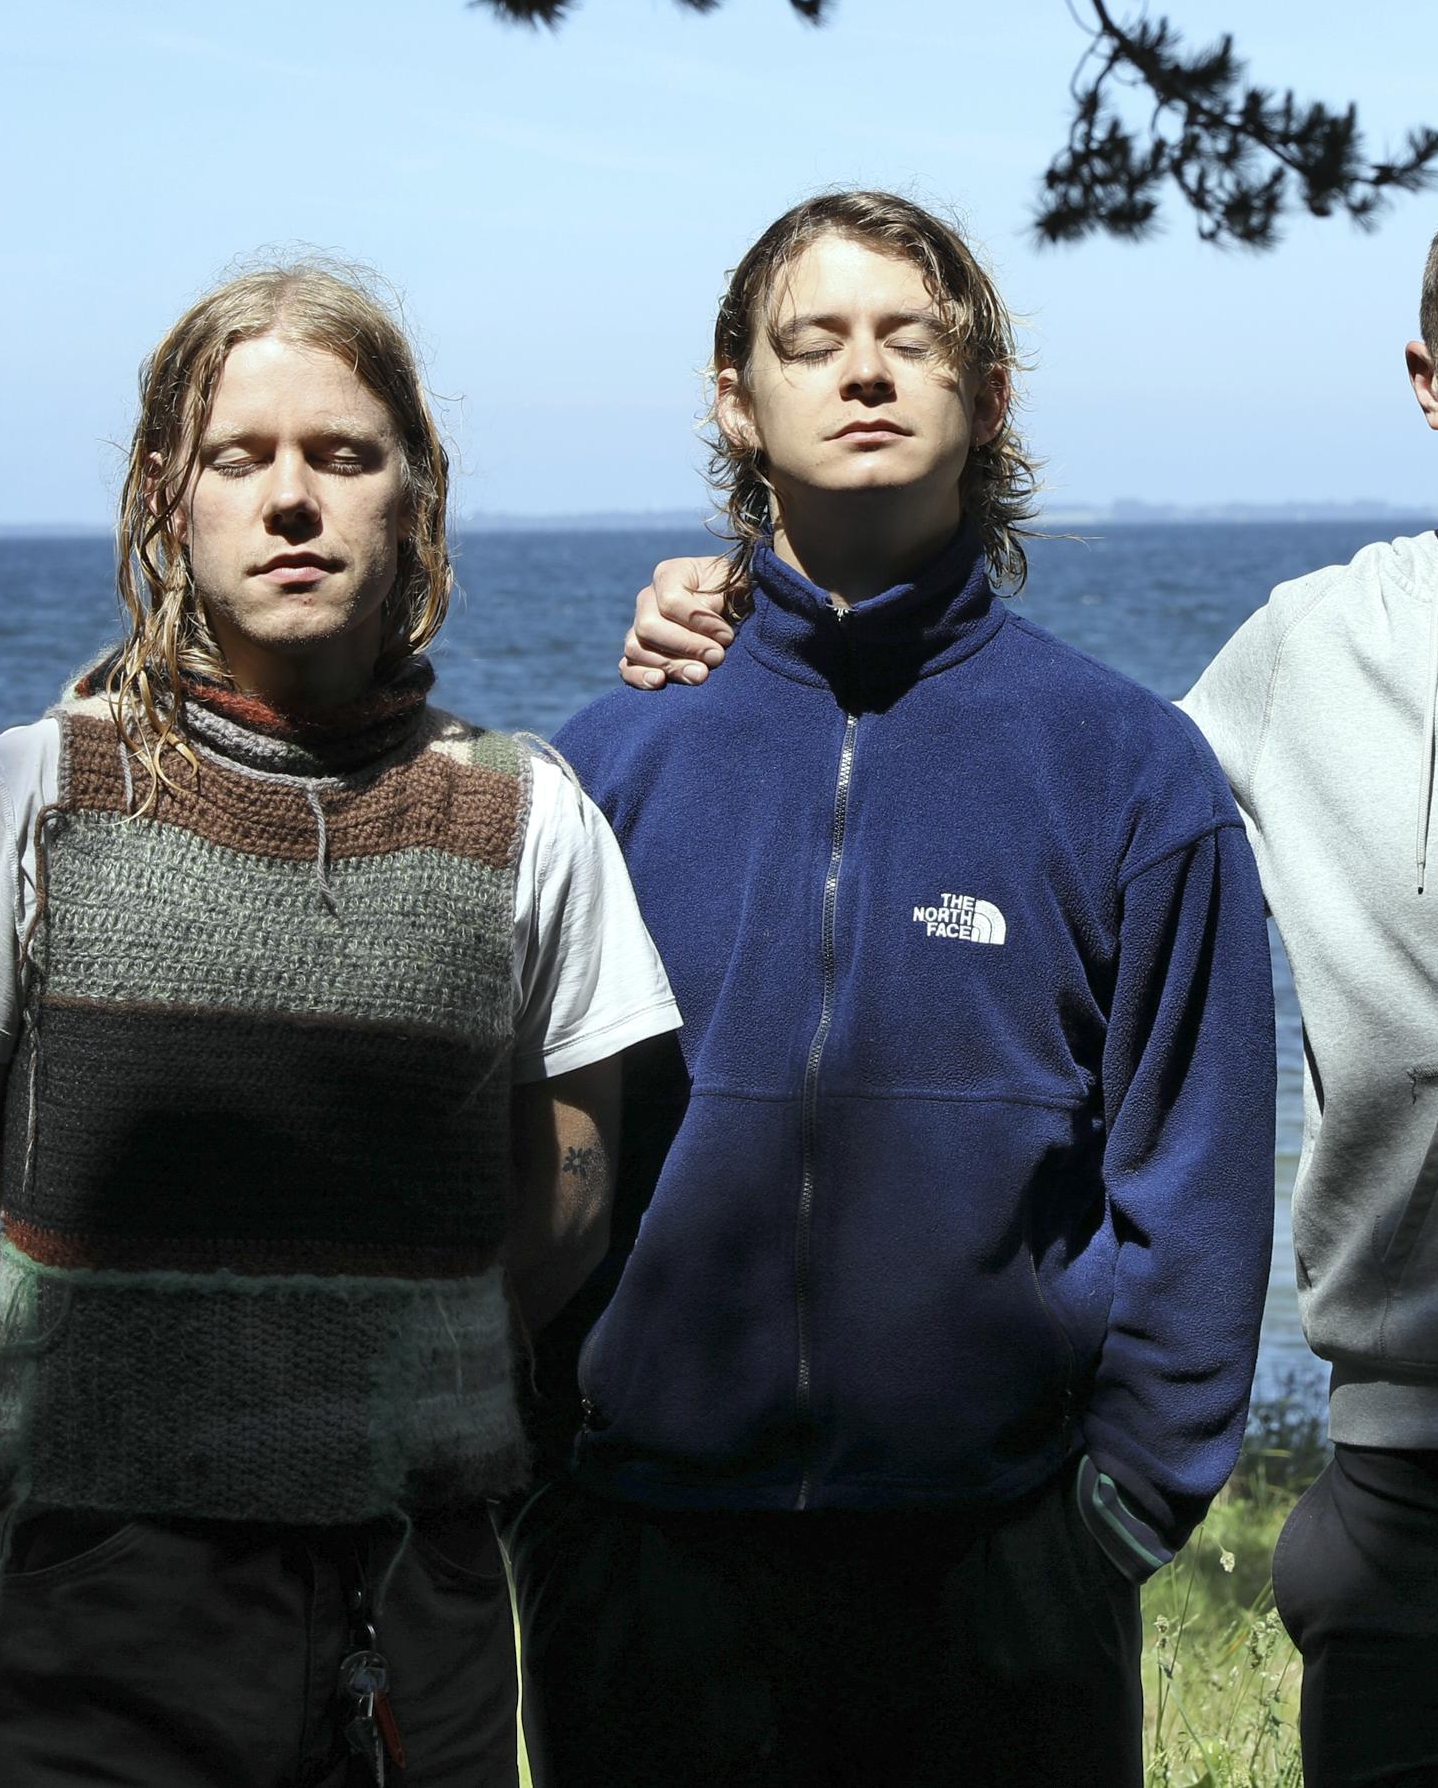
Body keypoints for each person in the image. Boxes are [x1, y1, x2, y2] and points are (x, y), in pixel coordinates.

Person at [620, 143, 1438, 1785]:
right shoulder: (1315, 650)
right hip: (1430, 1501)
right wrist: (745, 626)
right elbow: (980, 789)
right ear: (1427, 380)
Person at [0, 258, 678, 1788]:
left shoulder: (527, 811)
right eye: (242, 458)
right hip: (107, 1607)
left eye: (343, 456)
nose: (292, 499)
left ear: (415, 497)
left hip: (415, 1600)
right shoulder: (34, 789)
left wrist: (405, 1399)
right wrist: (67, 1415)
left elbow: (572, 1185)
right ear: (171, 499)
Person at [516, 190, 1278, 1788]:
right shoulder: (604, 769)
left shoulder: (1130, 770)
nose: (863, 372)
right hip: (648, 1573)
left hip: (999, 1585)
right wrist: (545, 1505)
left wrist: (1113, 1518)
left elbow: (1196, 1179)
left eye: (908, 340)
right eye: (814, 342)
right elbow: (526, 1160)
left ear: (985, 397)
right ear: (738, 399)